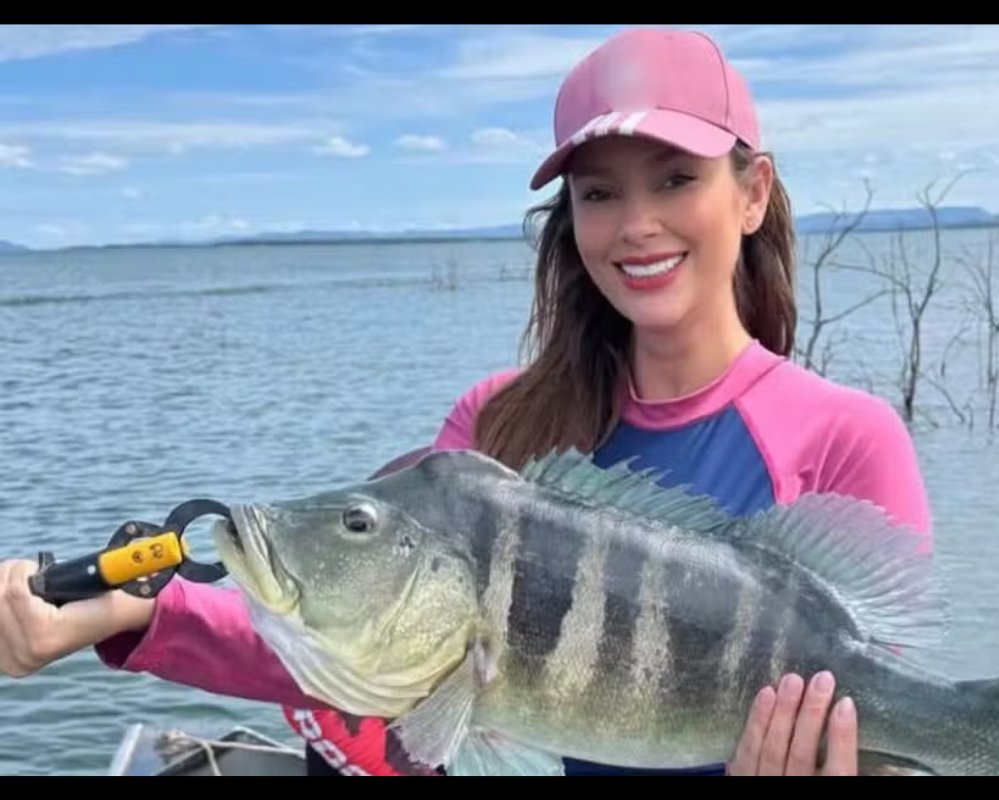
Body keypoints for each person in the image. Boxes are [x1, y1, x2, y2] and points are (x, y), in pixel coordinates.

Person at [0, 26, 931, 777]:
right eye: (599, 193)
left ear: (753, 192)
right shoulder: (492, 429)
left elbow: (897, 726)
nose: (637, 224)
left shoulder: (845, 437)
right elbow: (351, 637)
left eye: (676, 179)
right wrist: (126, 612)